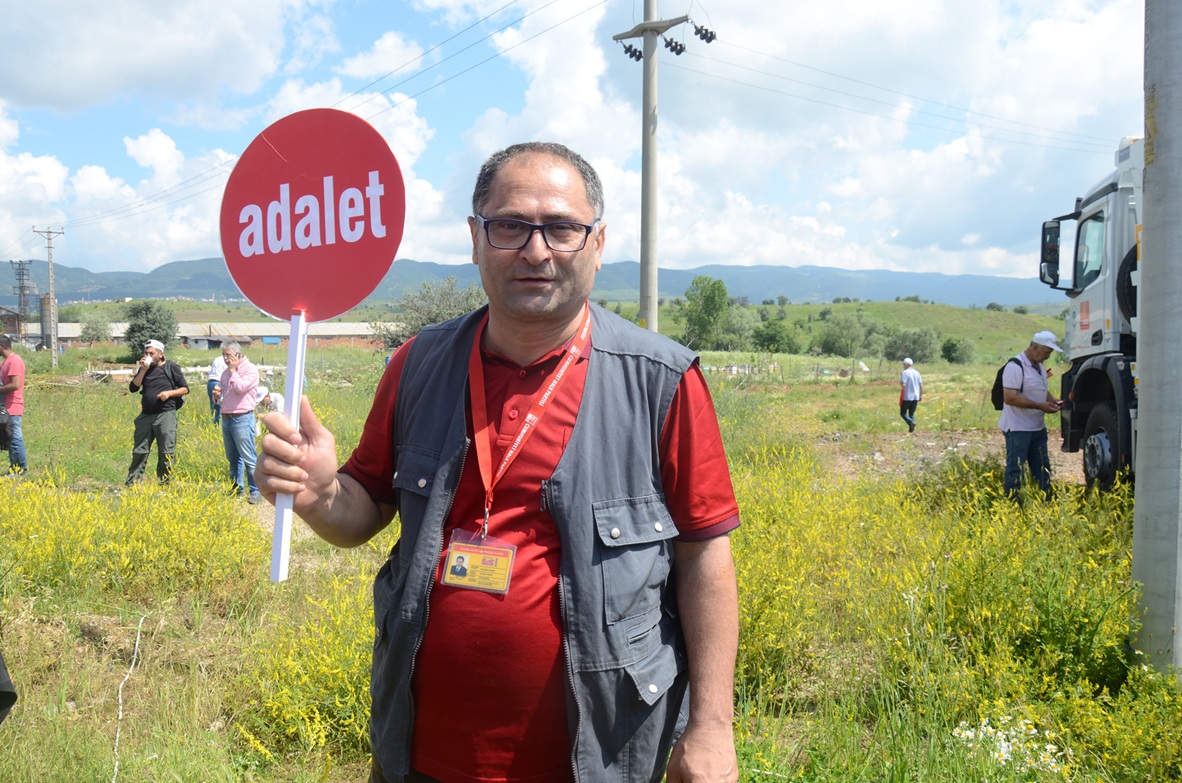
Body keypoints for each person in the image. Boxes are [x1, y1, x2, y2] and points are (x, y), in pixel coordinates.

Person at [256, 142, 741, 783]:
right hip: (421, 758)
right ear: (475, 239)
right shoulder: (418, 365)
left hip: (602, 759)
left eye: (562, 228)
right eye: (510, 226)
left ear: (598, 243)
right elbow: (365, 509)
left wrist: (712, 727)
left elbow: (705, 556)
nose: (536, 251)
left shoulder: (660, 380)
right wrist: (320, 494)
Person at [1000, 330, 1063, 500]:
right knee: (1016, 469)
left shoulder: (1039, 366)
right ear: (1035, 347)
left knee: (1042, 468)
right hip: (1018, 428)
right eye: (1046, 352)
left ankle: (1045, 502)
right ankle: (1013, 504)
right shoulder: (1015, 366)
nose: (1048, 356)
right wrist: (1040, 406)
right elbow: (1010, 398)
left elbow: (1040, 389)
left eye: (1050, 353)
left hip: (1037, 428)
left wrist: (1052, 400)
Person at [126, 339, 188, 485]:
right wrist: (143, 370)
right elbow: (133, 388)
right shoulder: (145, 369)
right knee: (139, 451)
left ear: (161, 354)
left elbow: (185, 389)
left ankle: (164, 483)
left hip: (165, 414)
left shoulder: (171, 367)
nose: (148, 356)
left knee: (166, 451)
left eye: (151, 353)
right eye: (146, 353)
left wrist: (169, 393)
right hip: (146, 415)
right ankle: (133, 482)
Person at [216, 341, 261, 503]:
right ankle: (236, 489)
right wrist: (217, 396)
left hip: (242, 417)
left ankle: (256, 491)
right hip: (227, 417)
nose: (225, 358)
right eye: (223, 355)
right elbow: (223, 393)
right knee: (233, 458)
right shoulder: (225, 372)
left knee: (249, 456)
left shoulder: (250, 369)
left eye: (228, 355)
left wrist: (233, 371)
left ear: (238, 354)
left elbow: (241, 387)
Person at [0, 335, 27, 475]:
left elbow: (16, 385)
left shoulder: (14, 361)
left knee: (15, 437)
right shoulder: (6, 362)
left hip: (13, 405)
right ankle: (14, 468)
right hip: (6, 406)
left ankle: (21, 470)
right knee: (10, 438)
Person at [899, 357, 923, 433]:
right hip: (916, 396)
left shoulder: (905, 373)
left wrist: (901, 382)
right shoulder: (917, 373)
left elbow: (903, 385)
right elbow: (921, 385)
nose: (903, 365)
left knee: (903, 413)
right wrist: (920, 395)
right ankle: (911, 429)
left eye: (904, 364)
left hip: (907, 396)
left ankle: (911, 422)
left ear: (906, 364)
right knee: (911, 413)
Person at [207, 353, 227, 425]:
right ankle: (219, 425)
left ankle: (215, 424)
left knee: (214, 407)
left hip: (210, 381)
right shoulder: (227, 360)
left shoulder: (217, 359)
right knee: (221, 407)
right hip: (219, 382)